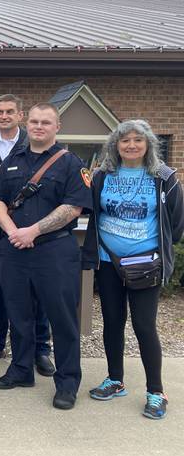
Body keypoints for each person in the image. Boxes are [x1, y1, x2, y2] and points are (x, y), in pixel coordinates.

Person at [0, 103, 91, 410]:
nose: (38, 126)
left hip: (55, 251)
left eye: (46, 122)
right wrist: (13, 233)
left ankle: (67, 382)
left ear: (57, 127)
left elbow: (73, 208)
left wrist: (31, 231)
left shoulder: (71, 163)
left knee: (62, 320)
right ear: (27, 123)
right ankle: (21, 370)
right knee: (19, 315)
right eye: (34, 121)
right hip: (15, 250)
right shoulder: (10, 162)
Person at [82, 119, 183, 420]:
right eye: (124, 140)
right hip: (108, 260)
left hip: (144, 264)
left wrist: (156, 250)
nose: (131, 145)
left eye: (138, 140)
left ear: (149, 144)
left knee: (144, 325)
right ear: (115, 145)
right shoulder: (102, 175)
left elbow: (176, 224)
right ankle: (115, 380)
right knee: (112, 321)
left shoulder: (164, 177)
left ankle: (156, 391)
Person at [0, 94, 54, 376]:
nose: (4, 116)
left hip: (30, 230)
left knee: (36, 288)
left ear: (20, 115)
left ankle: (40, 349)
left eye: (9, 111)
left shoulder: (31, 146)